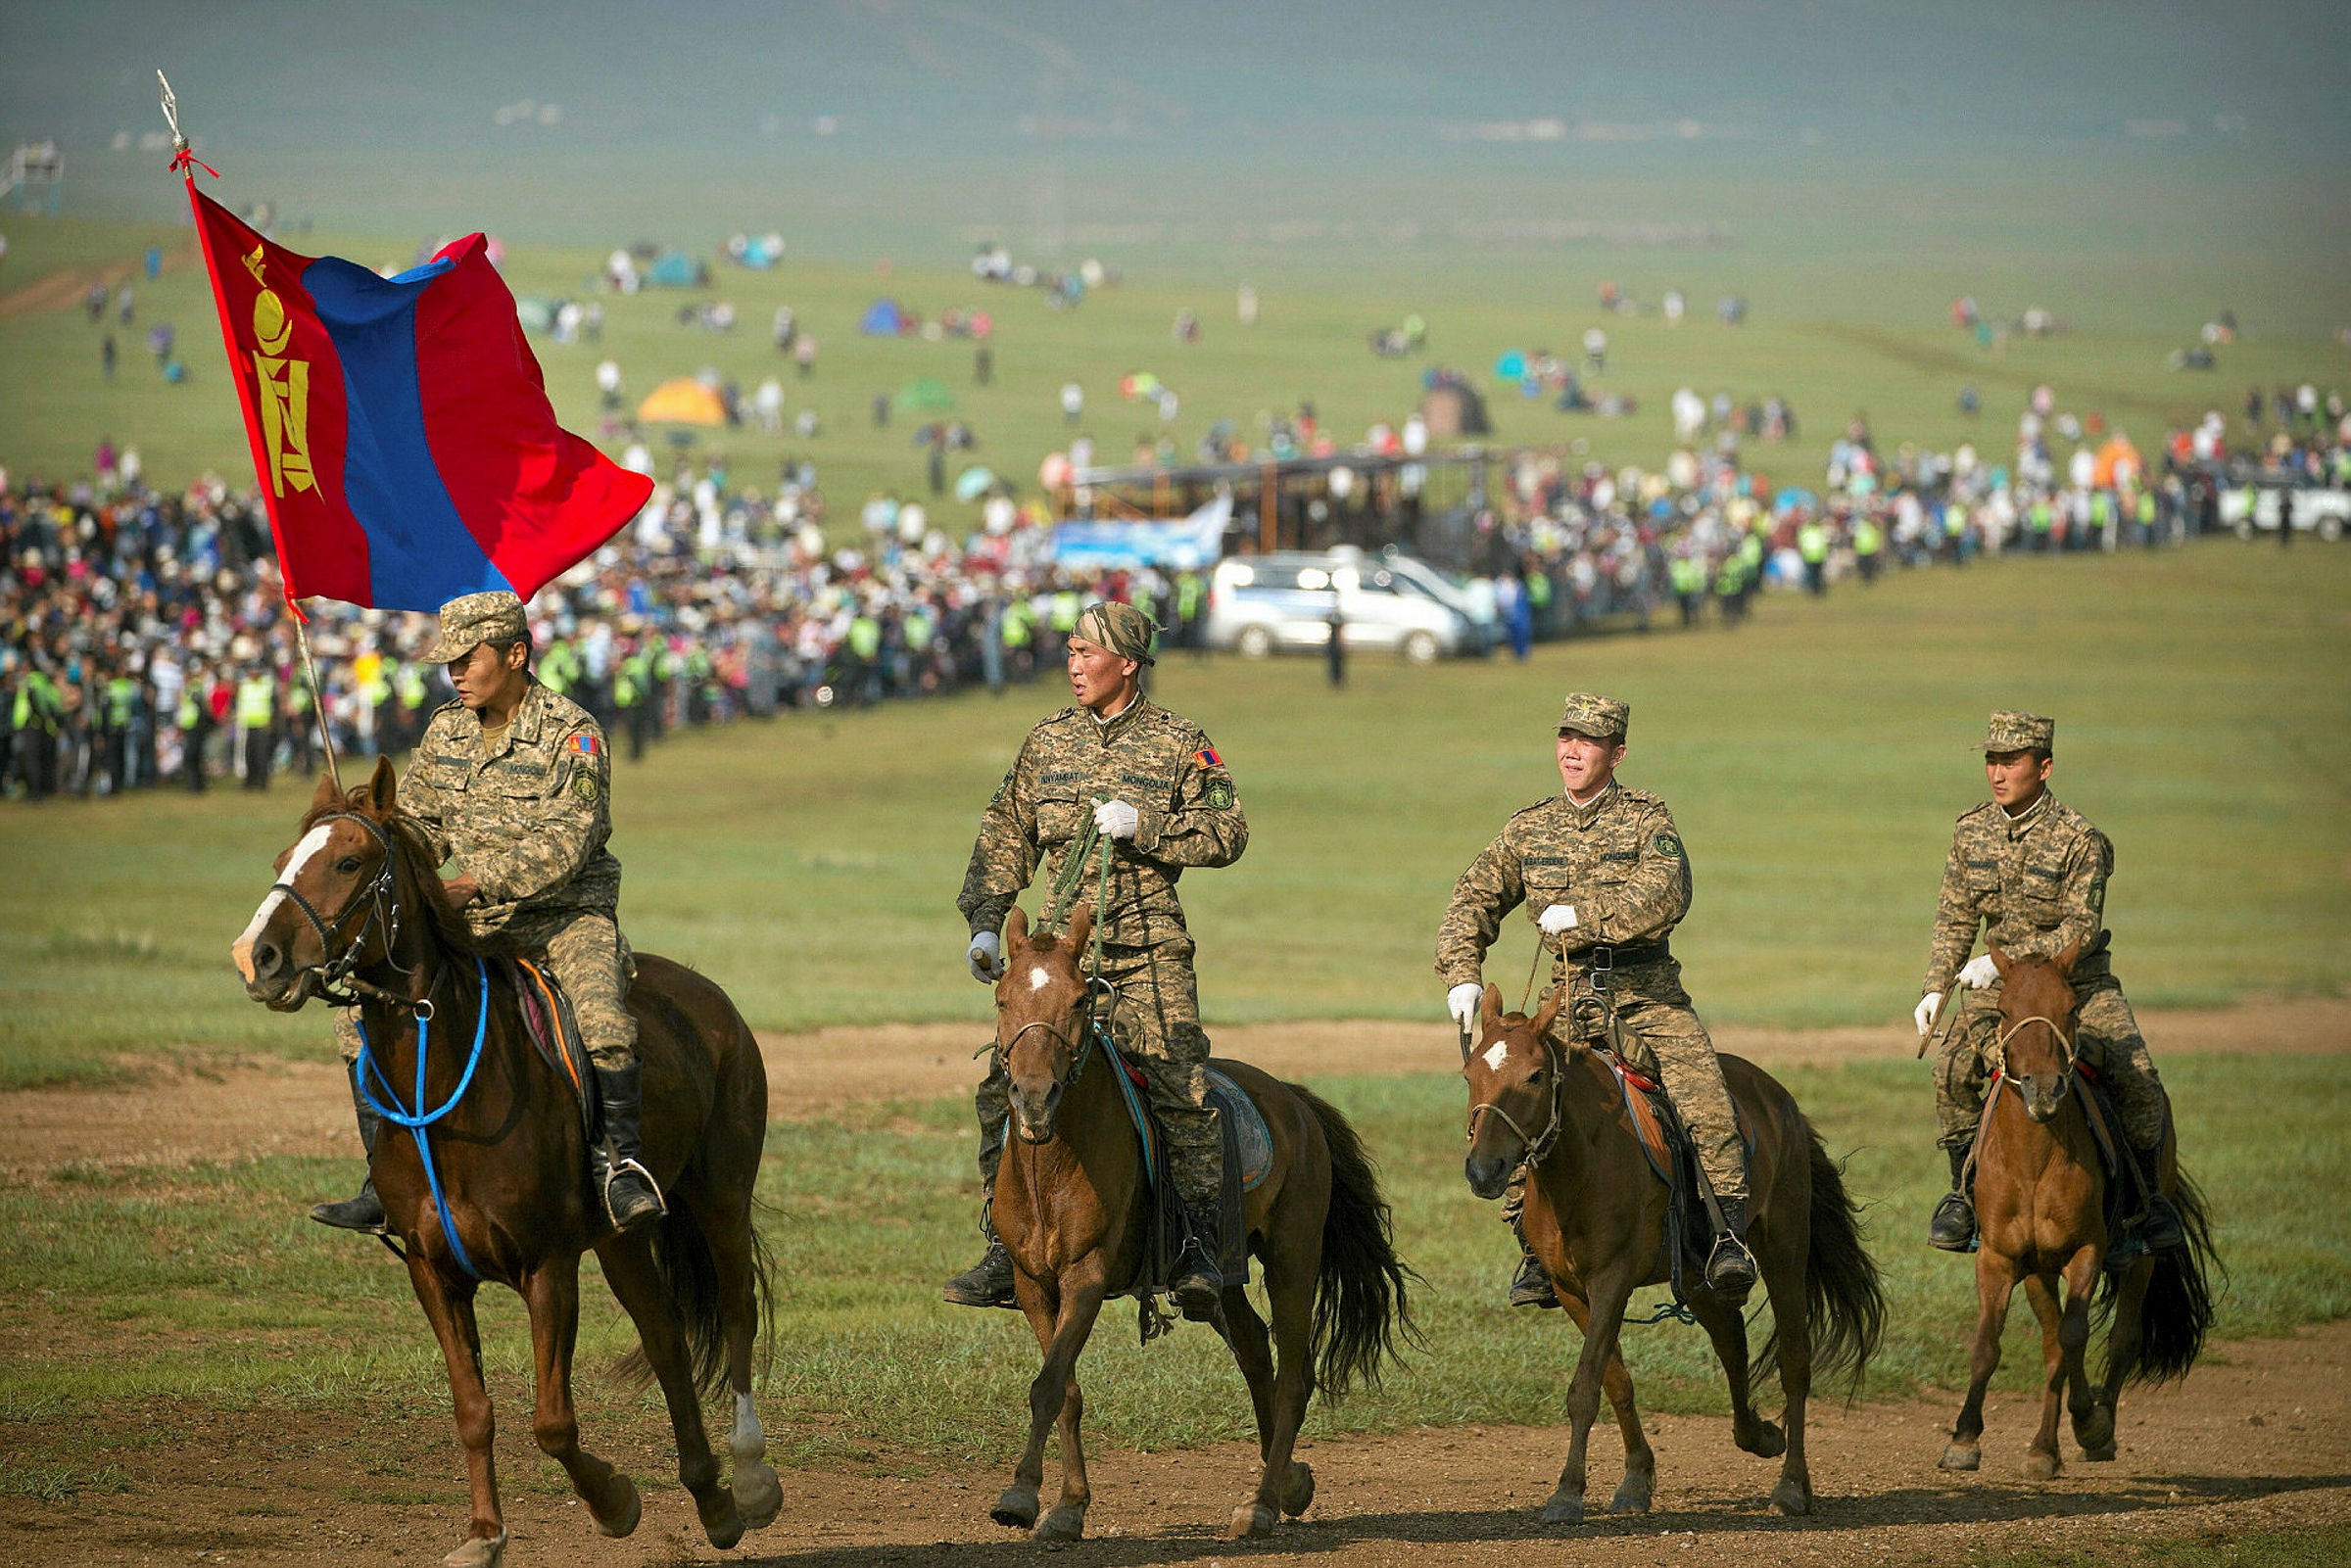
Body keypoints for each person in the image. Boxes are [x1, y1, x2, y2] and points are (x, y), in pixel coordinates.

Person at [312, 592, 663, 1237]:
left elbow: (571, 837)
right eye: (449, 663)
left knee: (602, 1017)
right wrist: (374, 848)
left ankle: (620, 1167)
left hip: (564, 917)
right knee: (359, 1012)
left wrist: (475, 882)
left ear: (515, 654)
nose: (455, 673)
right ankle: (382, 1177)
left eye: (467, 659)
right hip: (472, 921)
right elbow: (420, 826)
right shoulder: (446, 730)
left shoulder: (573, 732)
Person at [947, 600, 1248, 1319]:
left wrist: (1148, 827)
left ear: (1129, 664)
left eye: (1087, 652)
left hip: (1147, 951)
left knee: (1181, 1086)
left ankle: (1197, 1245)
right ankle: (1004, 1244)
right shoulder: (1048, 740)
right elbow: (1004, 833)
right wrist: (986, 925)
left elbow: (1229, 831)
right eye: (1072, 651)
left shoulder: (1181, 742)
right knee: (1003, 1084)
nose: (1074, 664)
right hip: (1060, 959)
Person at [1435, 692, 1758, 1305]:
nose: (1573, 751)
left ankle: (1725, 1237)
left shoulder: (1646, 819)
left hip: (1647, 996)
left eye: (1589, 741)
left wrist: (1584, 914)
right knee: (1515, 1098)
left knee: (1704, 1097)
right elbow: (1471, 898)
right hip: (1566, 1001)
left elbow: (1667, 894)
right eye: (1566, 738)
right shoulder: (1528, 828)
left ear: (1617, 753)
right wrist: (1462, 974)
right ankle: (1534, 1247)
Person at [1914, 709, 2183, 1257]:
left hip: (2076, 987)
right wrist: (1936, 987)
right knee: (1952, 1070)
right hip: (2002, 993)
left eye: (2011, 761)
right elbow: (1955, 917)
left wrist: (2006, 960)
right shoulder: (1971, 830)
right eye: (1992, 760)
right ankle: (1963, 1198)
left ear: (2045, 767)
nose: (1997, 772)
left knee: (2138, 1078)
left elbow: (2082, 926)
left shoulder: (2080, 839)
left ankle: (2148, 1203)